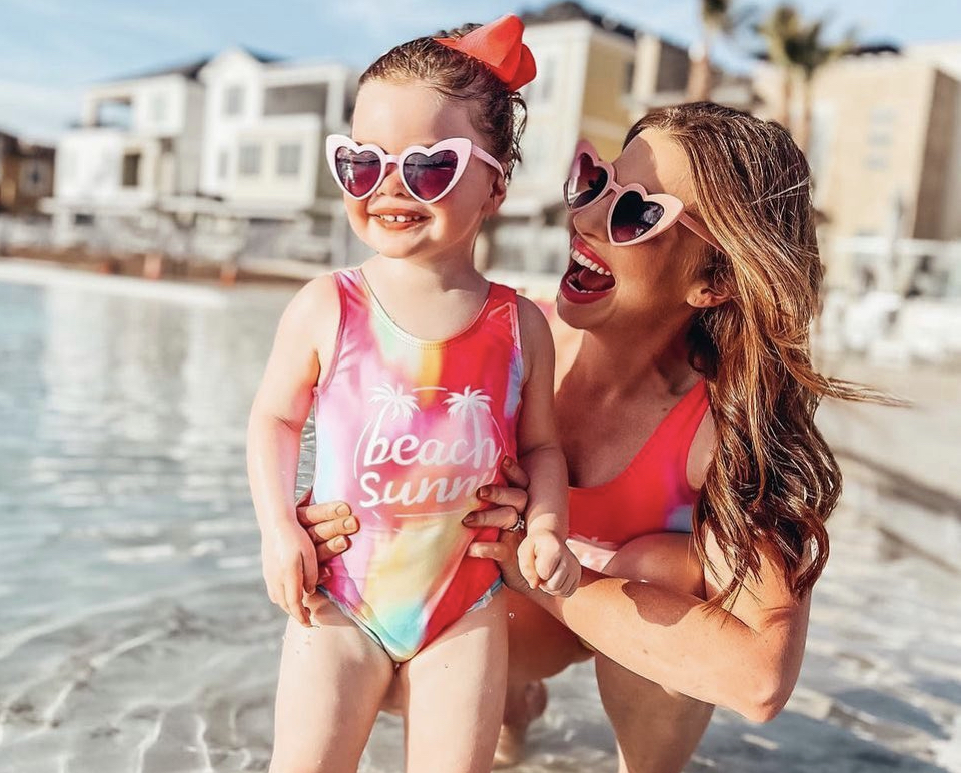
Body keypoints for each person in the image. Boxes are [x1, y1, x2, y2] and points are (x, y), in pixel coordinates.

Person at [300, 101, 881, 772]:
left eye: (636, 211)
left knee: (662, 567)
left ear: (713, 278)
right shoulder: (508, 341)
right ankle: (513, 714)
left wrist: (542, 571)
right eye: (593, 181)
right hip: (507, 614)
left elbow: (758, 680)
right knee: (379, 657)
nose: (584, 219)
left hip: (593, 599)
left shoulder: (720, 429)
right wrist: (326, 519)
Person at [246, 15, 580, 773]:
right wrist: (278, 530)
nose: (389, 187)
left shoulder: (517, 322)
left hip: (464, 603)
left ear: (494, 184)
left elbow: (542, 446)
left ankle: (521, 726)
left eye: (429, 166)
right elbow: (273, 417)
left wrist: (547, 528)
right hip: (339, 594)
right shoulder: (327, 304)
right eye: (362, 164)